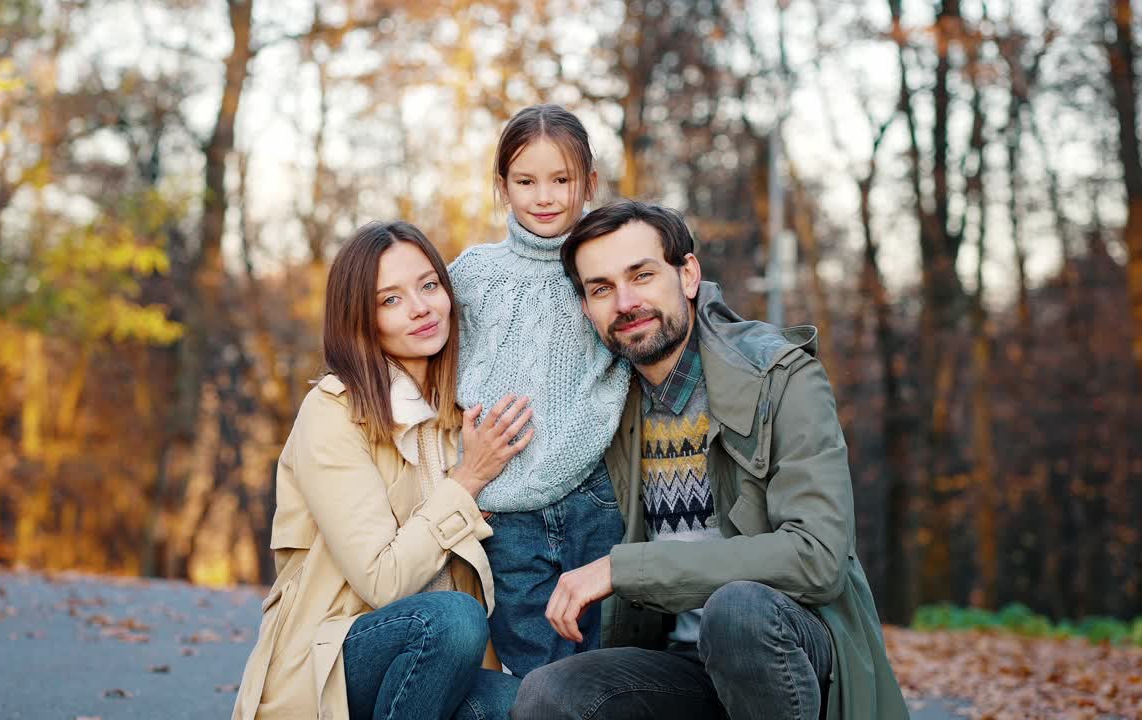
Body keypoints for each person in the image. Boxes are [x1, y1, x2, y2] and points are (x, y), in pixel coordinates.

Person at [511, 200, 908, 720]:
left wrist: (623, 568)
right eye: (601, 288)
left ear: (688, 274)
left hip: (794, 653)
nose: (626, 302)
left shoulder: (779, 376)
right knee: (549, 694)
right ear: (587, 308)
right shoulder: (603, 406)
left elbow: (818, 558)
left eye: (643, 275)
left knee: (736, 612)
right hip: (683, 665)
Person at [231, 222, 531, 720]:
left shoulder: (458, 415)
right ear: (361, 321)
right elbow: (384, 581)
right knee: (452, 621)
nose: (420, 307)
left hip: (430, 672)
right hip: (330, 670)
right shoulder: (332, 413)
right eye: (390, 300)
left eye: (429, 285)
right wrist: (467, 479)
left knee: (525, 704)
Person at [448, 104, 631, 677]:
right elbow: (428, 351)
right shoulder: (473, 273)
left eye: (562, 180)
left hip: (594, 497)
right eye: (526, 181)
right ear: (503, 186)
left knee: (602, 668)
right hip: (505, 511)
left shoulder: (608, 267)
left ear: (589, 184)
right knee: (538, 676)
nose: (544, 196)